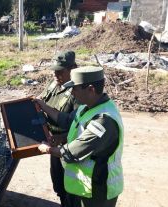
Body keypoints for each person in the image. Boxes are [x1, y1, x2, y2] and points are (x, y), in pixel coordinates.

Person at [36, 66, 124, 207]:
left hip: (97, 191)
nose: (71, 92)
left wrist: (47, 149)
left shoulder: (104, 120)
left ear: (90, 89)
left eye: (75, 88)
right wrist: (42, 105)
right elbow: (66, 120)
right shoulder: (86, 107)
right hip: (82, 186)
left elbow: (71, 153)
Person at [37, 51, 78, 207]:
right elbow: (41, 101)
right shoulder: (54, 83)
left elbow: (79, 125)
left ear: (72, 69)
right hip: (53, 142)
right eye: (54, 70)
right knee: (59, 185)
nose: (55, 74)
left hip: (69, 146)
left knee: (71, 190)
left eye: (60, 71)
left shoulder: (77, 91)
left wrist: (63, 138)